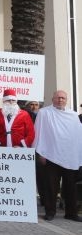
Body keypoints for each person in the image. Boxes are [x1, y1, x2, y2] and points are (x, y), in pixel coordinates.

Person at [33, 90, 82, 221]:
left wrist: (78, 156)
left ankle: (71, 213)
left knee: (70, 187)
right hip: (50, 155)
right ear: (52, 99)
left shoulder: (73, 115)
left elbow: (78, 137)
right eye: (58, 98)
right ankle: (50, 211)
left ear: (66, 100)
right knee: (50, 186)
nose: (60, 100)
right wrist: (40, 152)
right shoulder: (44, 113)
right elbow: (39, 133)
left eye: (63, 98)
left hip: (69, 156)